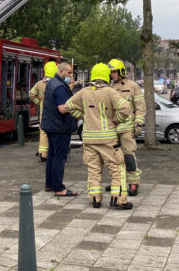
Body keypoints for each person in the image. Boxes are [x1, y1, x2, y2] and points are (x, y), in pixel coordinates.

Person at [60, 63, 132, 209]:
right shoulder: (110, 92)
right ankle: (118, 199)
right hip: (108, 139)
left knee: (93, 170)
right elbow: (126, 108)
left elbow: (68, 106)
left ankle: (95, 200)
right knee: (117, 169)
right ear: (106, 75)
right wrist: (117, 120)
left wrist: (82, 116)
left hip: (89, 139)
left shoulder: (84, 92)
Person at [108, 58, 145, 196]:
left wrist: (139, 123)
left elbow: (140, 106)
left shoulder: (132, 86)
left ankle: (133, 183)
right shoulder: (109, 88)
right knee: (114, 158)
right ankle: (118, 182)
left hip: (126, 128)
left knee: (128, 156)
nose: (112, 74)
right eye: (111, 72)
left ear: (121, 71)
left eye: (114, 72)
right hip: (112, 129)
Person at [41, 61, 78, 196]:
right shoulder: (60, 87)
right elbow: (62, 109)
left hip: (51, 126)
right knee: (60, 158)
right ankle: (59, 188)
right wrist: (76, 104)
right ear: (61, 72)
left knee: (51, 155)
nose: (70, 75)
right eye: (68, 73)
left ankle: (49, 185)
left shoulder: (52, 83)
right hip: (60, 127)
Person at [29, 60, 58, 162]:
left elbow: (31, 94)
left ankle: (43, 154)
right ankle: (54, 152)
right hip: (55, 113)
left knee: (44, 132)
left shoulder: (40, 83)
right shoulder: (57, 84)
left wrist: (38, 102)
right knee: (55, 132)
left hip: (43, 113)